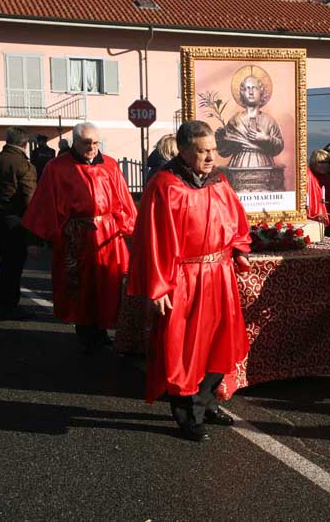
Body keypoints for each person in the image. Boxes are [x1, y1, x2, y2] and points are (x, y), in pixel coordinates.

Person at [128, 120, 252, 442]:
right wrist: (159, 287)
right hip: (184, 279)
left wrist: (238, 249)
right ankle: (188, 415)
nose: (211, 157)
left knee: (218, 342)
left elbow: (235, 221)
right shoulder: (164, 186)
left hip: (218, 274)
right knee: (183, 351)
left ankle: (206, 400)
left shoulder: (219, 181)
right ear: (183, 151)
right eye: (202, 151)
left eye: (213, 149)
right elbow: (152, 241)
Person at [22, 122, 137, 353]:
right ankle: (86, 332)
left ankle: (103, 329)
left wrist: (131, 228)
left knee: (108, 283)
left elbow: (123, 199)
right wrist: (35, 240)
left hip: (107, 234)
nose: (92, 148)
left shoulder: (111, 166)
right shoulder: (57, 168)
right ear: (75, 142)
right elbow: (44, 203)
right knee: (81, 286)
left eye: (95, 143)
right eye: (87, 143)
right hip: (76, 238)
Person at [0, 127, 37, 319]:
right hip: (16, 218)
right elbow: (30, 200)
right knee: (15, 264)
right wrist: (34, 236)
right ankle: (9, 305)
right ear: (25, 144)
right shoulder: (23, 165)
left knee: (5, 261)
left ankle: (2, 303)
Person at [215, 67, 284, 191]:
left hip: (264, 166)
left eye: (254, 88)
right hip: (239, 164)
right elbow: (225, 152)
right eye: (247, 88)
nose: (251, 92)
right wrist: (222, 139)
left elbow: (278, 146)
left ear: (261, 91)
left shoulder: (269, 121)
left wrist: (266, 138)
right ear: (242, 93)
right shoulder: (234, 121)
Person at [307, 150, 330, 225]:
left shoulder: (328, 178)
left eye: (327, 162)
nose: (324, 165)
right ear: (314, 163)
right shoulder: (309, 177)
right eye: (321, 162)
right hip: (315, 216)